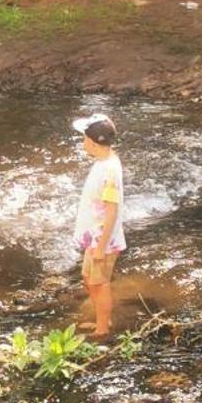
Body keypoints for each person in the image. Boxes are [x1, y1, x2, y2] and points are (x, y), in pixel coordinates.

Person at [72, 113, 125, 339]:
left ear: (93, 143)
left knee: (99, 283)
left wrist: (102, 248)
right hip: (94, 236)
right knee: (88, 279)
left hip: (104, 239)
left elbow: (112, 211)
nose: (83, 143)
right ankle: (101, 318)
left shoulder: (110, 171)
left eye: (84, 139)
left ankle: (102, 328)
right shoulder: (103, 161)